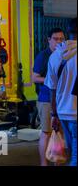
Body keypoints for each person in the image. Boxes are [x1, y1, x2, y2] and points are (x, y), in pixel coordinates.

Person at [45, 18, 77, 166]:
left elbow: (52, 89)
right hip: (76, 114)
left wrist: (54, 115)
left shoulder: (55, 56)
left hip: (63, 113)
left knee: (73, 153)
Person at [32, 27, 65, 166]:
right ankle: (43, 163)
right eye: (55, 39)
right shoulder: (43, 56)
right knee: (46, 132)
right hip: (46, 99)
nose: (58, 42)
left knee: (59, 133)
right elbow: (34, 78)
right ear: (48, 40)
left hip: (61, 100)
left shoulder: (64, 55)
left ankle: (56, 162)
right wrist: (51, 80)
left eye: (61, 39)